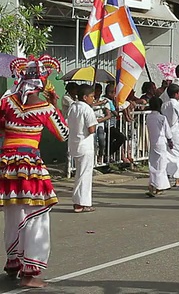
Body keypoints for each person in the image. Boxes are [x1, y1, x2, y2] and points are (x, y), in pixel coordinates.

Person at [0, 55, 69, 288]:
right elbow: (63, 134)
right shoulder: (45, 107)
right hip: (30, 165)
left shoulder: (6, 103)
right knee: (37, 215)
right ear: (43, 82)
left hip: (8, 165)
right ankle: (30, 272)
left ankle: (13, 262)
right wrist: (55, 104)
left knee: (13, 213)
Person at [67, 84, 99, 213]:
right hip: (85, 145)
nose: (93, 98)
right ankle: (81, 203)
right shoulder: (87, 109)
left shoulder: (72, 107)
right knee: (84, 175)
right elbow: (91, 129)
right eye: (91, 96)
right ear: (85, 97)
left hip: (75, 143)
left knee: (80, 174)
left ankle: (79, 201)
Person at [161, 84, 179, 188]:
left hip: (167, 132)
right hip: (176, 132)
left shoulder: (164, 105)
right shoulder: (178, 105)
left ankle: (172, 176)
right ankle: (177, 178)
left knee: (169, 154)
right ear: (177, 94)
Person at [146, 97, 172, 197]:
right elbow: (167, 132)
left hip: (152, 142)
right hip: (161, 142)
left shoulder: (148, 117)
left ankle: (152, 184)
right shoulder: (162, 118)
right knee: (161, 164)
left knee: (152, 163)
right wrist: (170, 140)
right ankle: (158, 186)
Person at [104, 83, 126, 159]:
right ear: (110, 93)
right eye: (114, 93)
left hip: (112, 124)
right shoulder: (107, 101)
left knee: (111, 141)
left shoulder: (111, 101)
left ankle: (108, 155)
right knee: (121, 137)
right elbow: (116, 113)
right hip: (108, 125)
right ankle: (107, 154)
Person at [93, 84, 111, 165]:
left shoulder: (105, 100)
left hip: (100, 122)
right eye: (96, 90)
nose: (98, 92)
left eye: (99, 91)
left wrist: (100, 120)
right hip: (91, 123)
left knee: (101, 140)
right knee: (93, 142)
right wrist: (99, 103)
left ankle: (100, 155)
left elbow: (108, 115)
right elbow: (90, 106)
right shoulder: (91, 100)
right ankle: (93, 159)